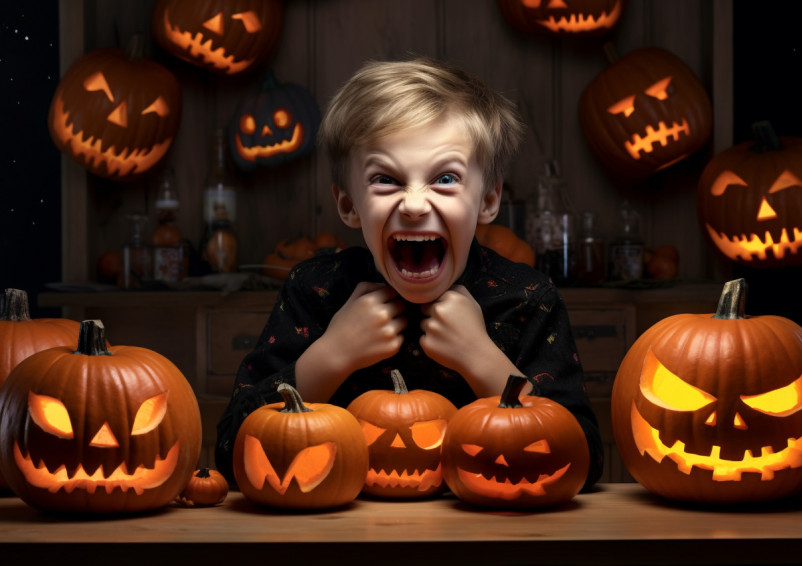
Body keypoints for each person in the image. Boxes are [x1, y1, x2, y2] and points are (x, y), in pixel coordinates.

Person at [215, 57, 603, 489]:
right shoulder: (314, 290)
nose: (415, 205)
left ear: (488, 200)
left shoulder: (528, 300)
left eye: (445, 179)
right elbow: (232, 452)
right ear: (348, 205)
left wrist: (483, 362)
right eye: (385, 179)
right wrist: (330, 357)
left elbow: (583, 464)